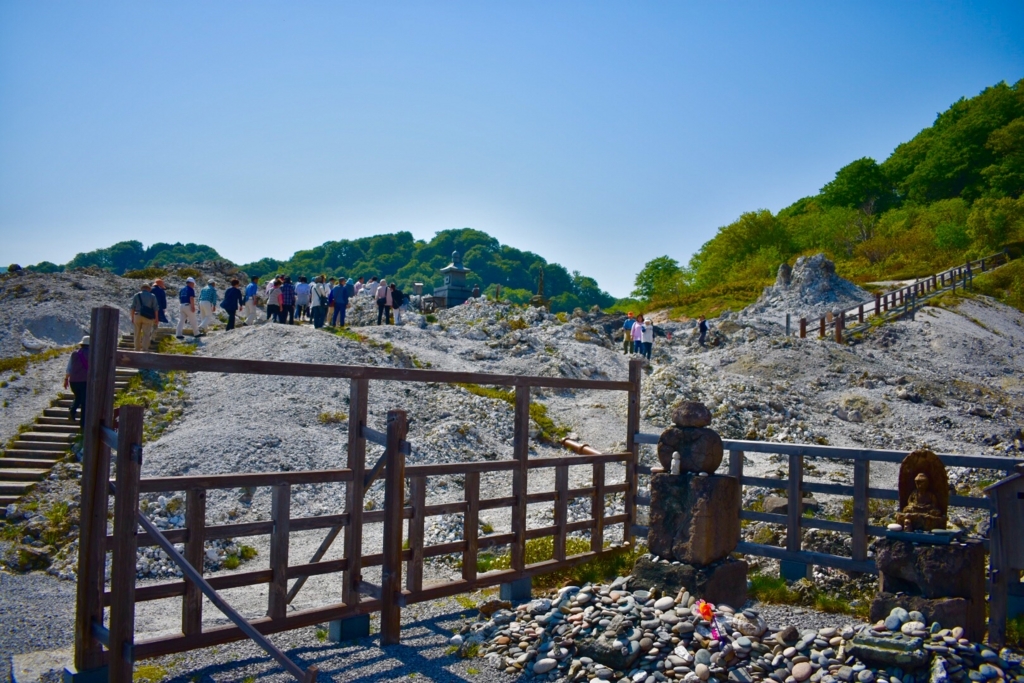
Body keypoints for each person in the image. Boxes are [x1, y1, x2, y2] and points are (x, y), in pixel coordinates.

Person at [64, 336, 89, 425]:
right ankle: (83, 424)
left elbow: (69, 368)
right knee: (84, 402)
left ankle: (72, 409)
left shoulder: (75, 354)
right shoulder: (91, 354)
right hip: (84, 381)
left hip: (73, 382)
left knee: (78, 397)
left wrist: (66, 379)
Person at [130, 283, 159, 351]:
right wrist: (156, 318)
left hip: (137, 315)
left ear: (142, 288)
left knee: (137, 333)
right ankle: (145, 349)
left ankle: (137, 349)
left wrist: (132, 317)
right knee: (146, 334)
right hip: (148, 317)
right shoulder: (152, 296)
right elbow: (156, 308)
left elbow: (132, 307)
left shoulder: (137, 295)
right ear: (149, 289)